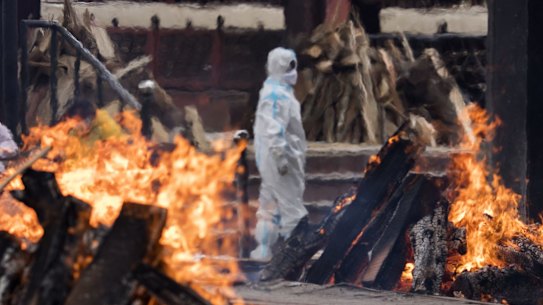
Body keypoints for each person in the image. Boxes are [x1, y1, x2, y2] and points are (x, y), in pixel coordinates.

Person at [251, 47, 308, 261]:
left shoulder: (274, 91)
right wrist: (280, 157)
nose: (294, 71)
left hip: (272, 159)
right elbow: (274, 129)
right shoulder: (277, 96)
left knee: (268, 204)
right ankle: (295, 254)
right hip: (282, 159)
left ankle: (265, 250)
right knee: (291, 206)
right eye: (289, 66)